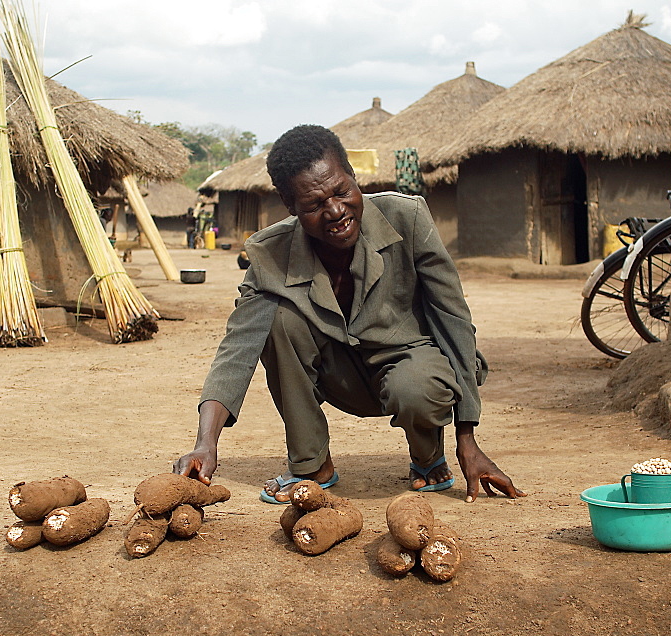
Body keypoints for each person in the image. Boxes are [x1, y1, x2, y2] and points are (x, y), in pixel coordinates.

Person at [174, 125, 524, 504]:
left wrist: (467, 440)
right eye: (314, 204)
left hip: (410, 368)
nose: (336, 211)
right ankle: (312, 465)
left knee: (417, 386)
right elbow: (236, 350)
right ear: (290, 206)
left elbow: (454, 322)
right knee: (276, 321)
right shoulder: (270, 255)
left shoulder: (408, 219)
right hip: (337, 375)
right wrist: (205, 444)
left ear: (355, 177)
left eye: (342, 191)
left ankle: (428, 457)